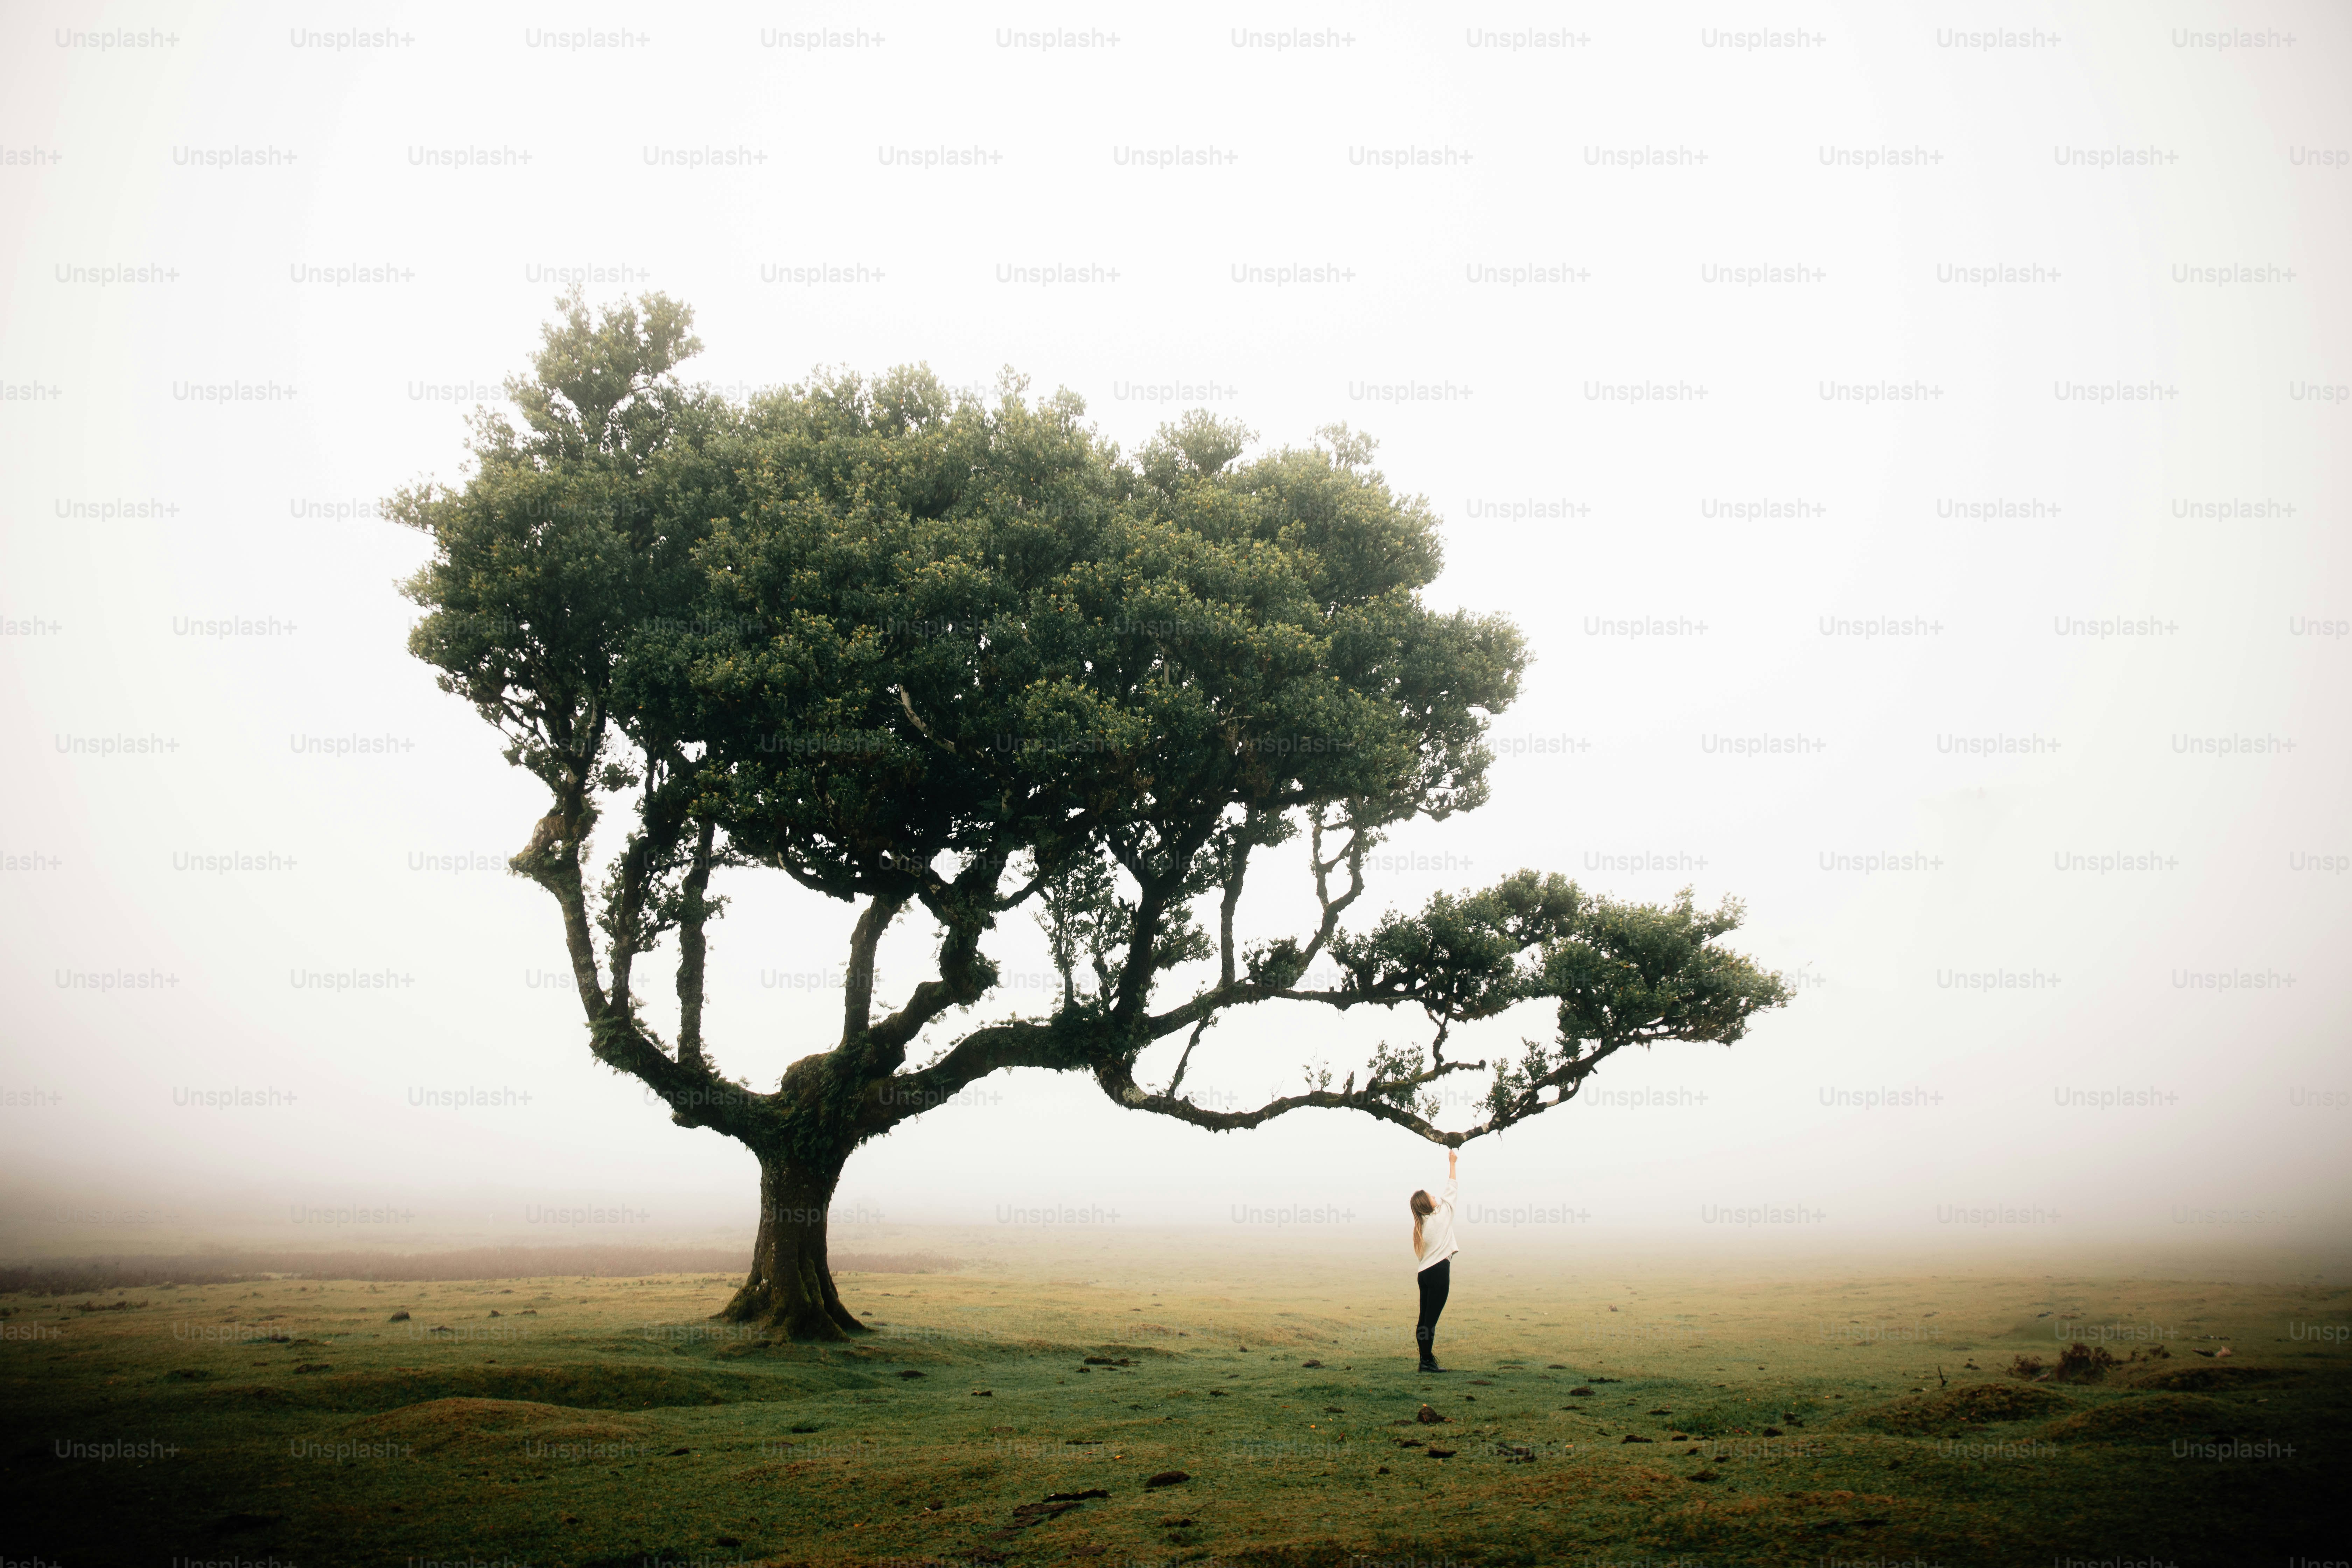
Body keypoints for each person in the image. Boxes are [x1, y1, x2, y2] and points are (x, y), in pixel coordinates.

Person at [1408, 1145, 1459, 1373]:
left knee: (1424, 1320)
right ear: (1427, 1204)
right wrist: (1452, 1163)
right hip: (1439, 1272)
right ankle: (1427, 1361)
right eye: (1431, 1196)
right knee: (1431, 1322)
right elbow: (1452, 1188)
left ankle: (1425, 1360)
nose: (1435, 1197)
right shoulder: (1441, 1216)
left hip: (1424, 1274)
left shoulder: (1421, 1227)